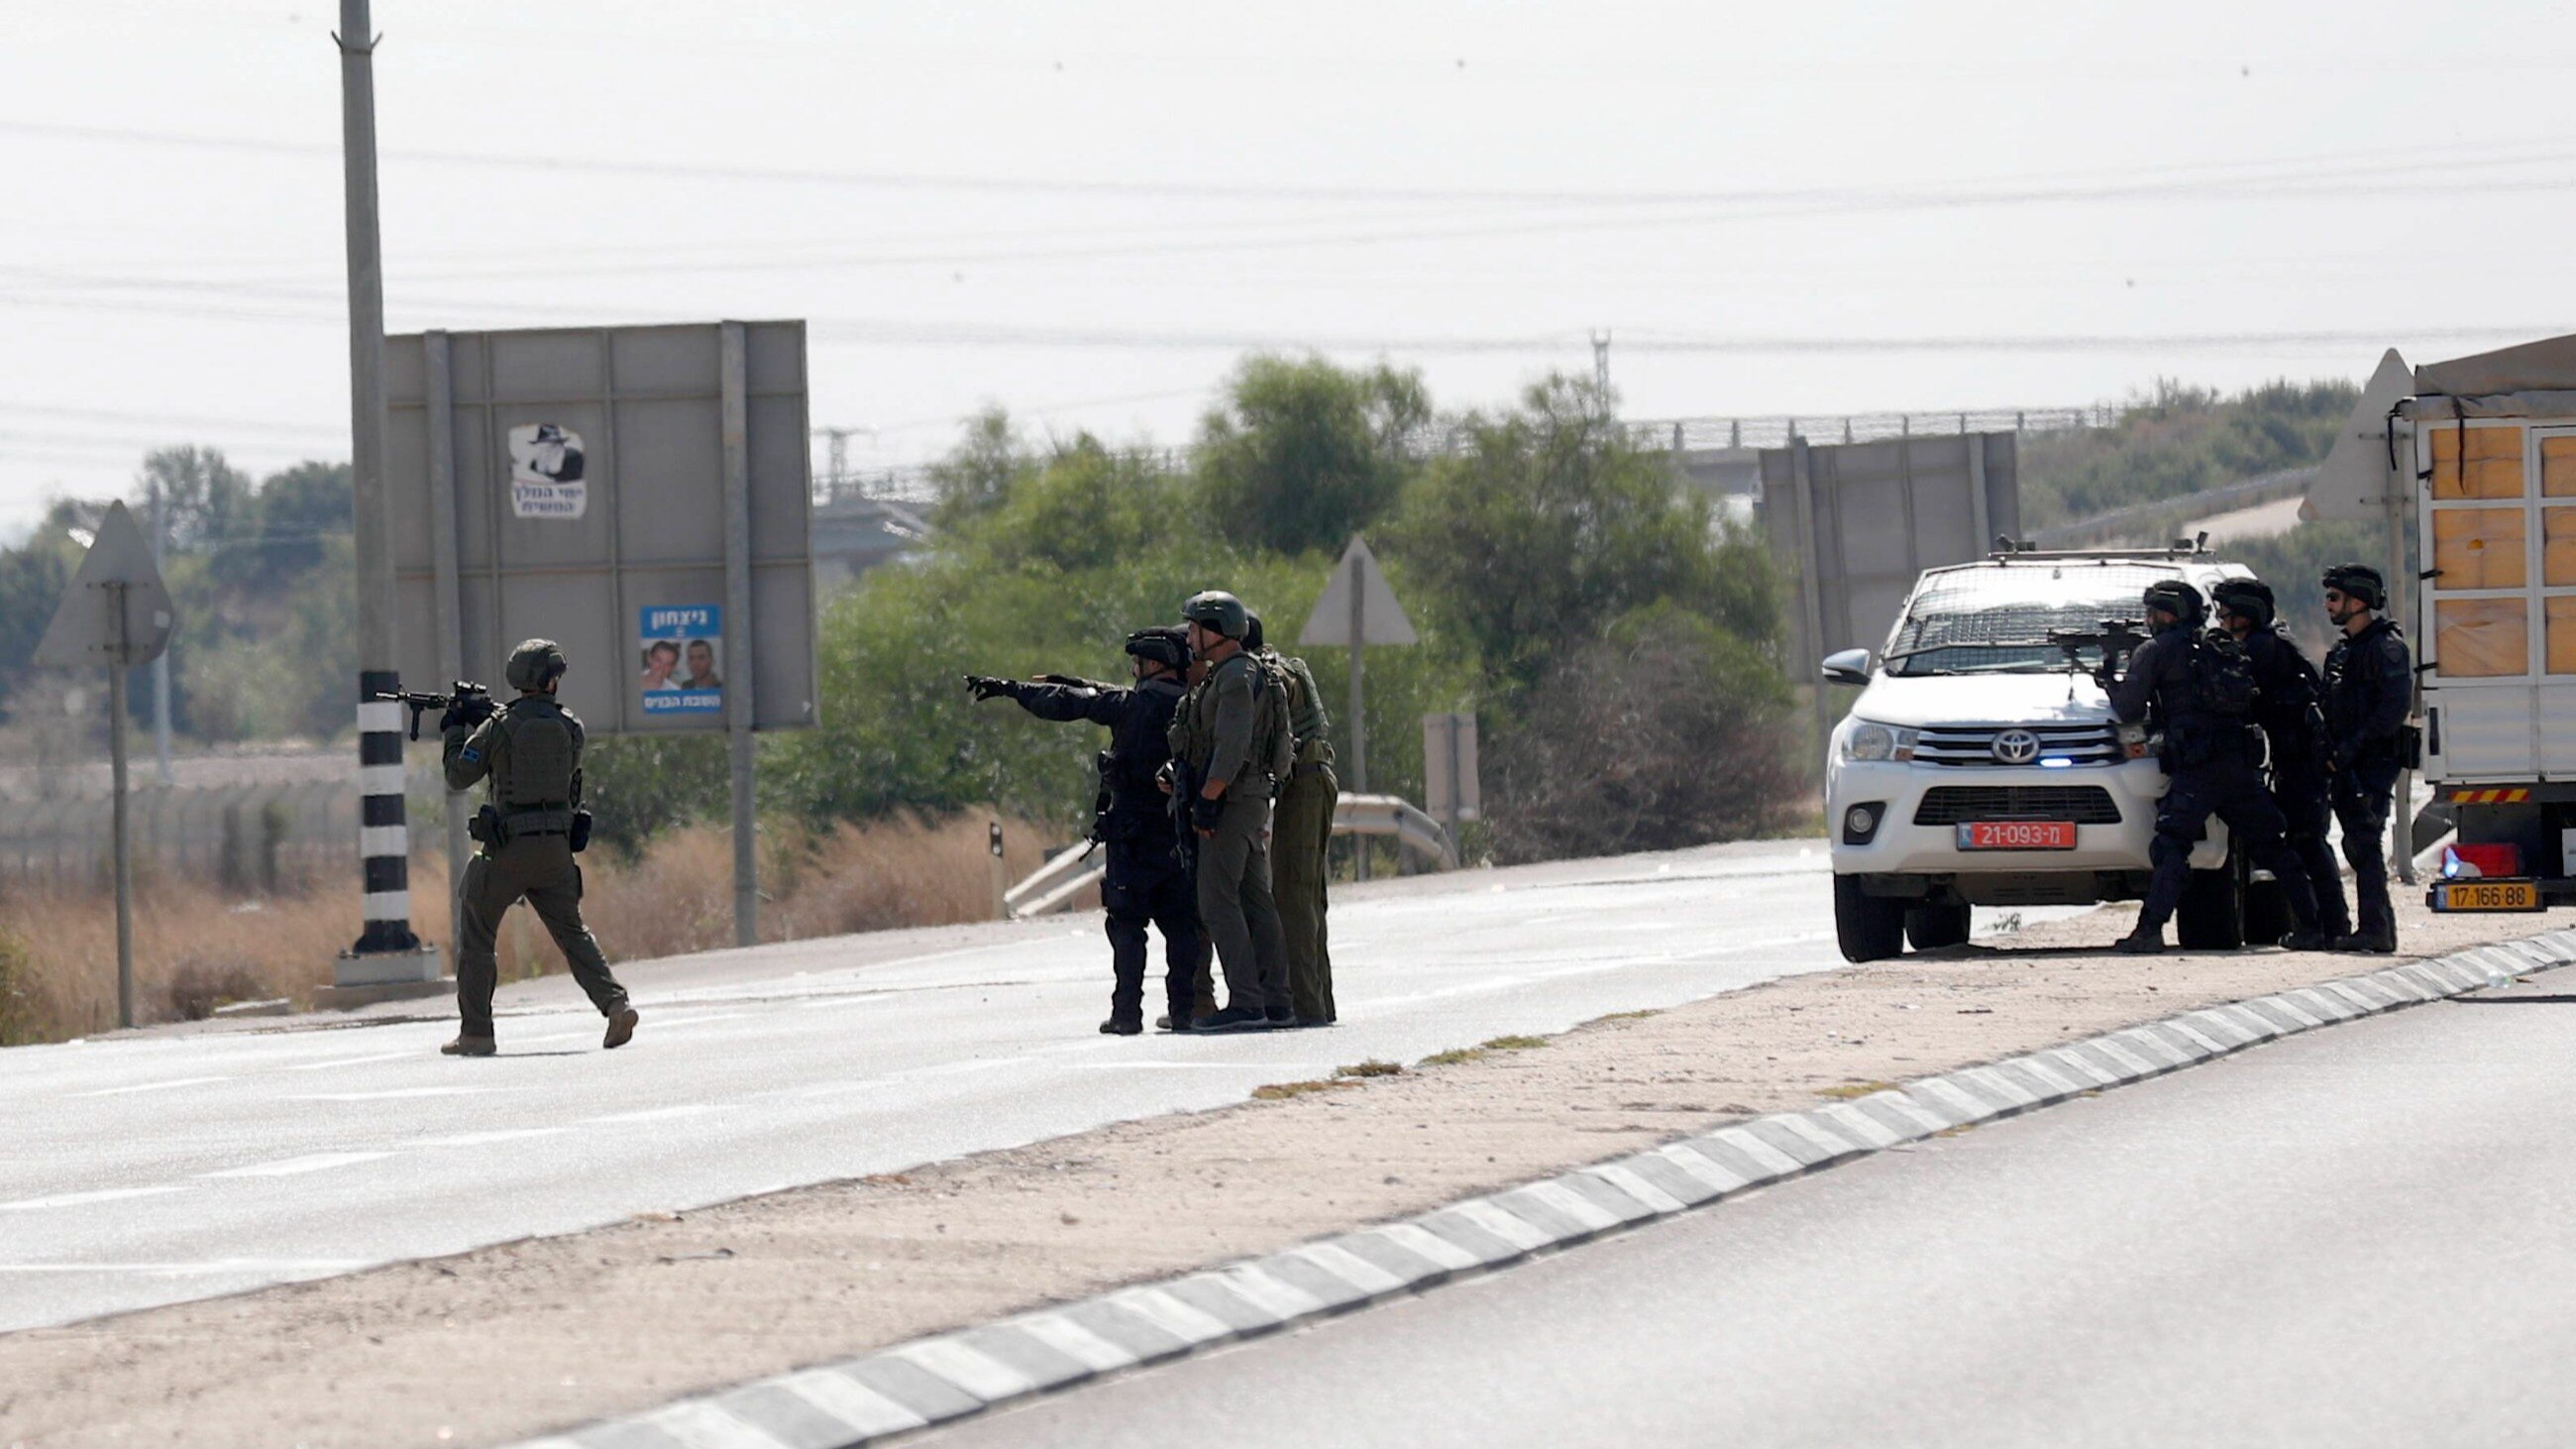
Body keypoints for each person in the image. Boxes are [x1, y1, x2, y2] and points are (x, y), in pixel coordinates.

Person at [966, 627, 1206, 1035]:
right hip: (1179, 835)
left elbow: (1068, 704)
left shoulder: (1130, 706)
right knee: (1183, 927)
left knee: (1128, 928)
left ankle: (1127, 1014)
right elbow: (1084, 692)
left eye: (1138, 664)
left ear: (1151, 664)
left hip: (1131, 838)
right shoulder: (1195, 706)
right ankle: (1184, 1011)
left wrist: (1012, 690)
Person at [441, 638, 637, 1056]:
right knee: (573, 933)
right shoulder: (572, 727)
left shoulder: (497, 726)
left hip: (507, 849)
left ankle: (476, 1032)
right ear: (548, 680)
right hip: (556, 852)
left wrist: (456, 728)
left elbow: (459, 775)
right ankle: (615, 1004)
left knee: (477, 931)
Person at [2108, 580, 2325, 954]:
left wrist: (2110, 680)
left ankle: (2149, 930)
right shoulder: (2218, 646)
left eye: (2153, 612)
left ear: (2166, 613)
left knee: (2172, 846)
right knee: (2273, 847)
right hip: (2237, 765)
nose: (2147, 620)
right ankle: (2311, 925)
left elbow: (2129, 708)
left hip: (2195, 768)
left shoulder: (2156, 650)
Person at [1167, 590, 1295, 1031]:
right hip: (1242, 798)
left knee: (1216, 899)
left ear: (1216, 631)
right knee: (1253, 898)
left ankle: (1247, 1000)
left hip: (1234, 801)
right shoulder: (1228, 674)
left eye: (1196, 628)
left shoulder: (1236, 677)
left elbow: (1233, 745)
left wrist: (1208, 798)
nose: (1189, 637)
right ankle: (1276, 1000)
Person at [2211, 578, 2351, 942]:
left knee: (2307, 841)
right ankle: (2330, 925)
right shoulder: (2274, 641)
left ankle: (2325, 927)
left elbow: (2241, 698)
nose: (2222, 620)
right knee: (2309, 842)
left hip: (2301, 759)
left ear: (2247, 614)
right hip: (2298, 757)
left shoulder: (2262, 647)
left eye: (2227, 613)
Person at [1244, 612, 1338, 1026]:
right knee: (1306, 898)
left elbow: (1275, 703)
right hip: (1310, 780)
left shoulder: (1272, 673)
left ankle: (1307, 1006)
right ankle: (1317, 1001)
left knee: (1294, 898)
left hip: (1305, 783)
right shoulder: (1278, 666)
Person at [2320, 563, 2414, 953]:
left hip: (2372, 762)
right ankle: (2377, 928)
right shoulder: (2344, 651)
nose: (2328, 605)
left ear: (2358, 602)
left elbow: (2392, 709)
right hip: (2345, 762)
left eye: (2335, 597)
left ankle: (2375, 929)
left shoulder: (2386, 648)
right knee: (2359, 845)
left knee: (2364, 841)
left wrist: (2353, 747)